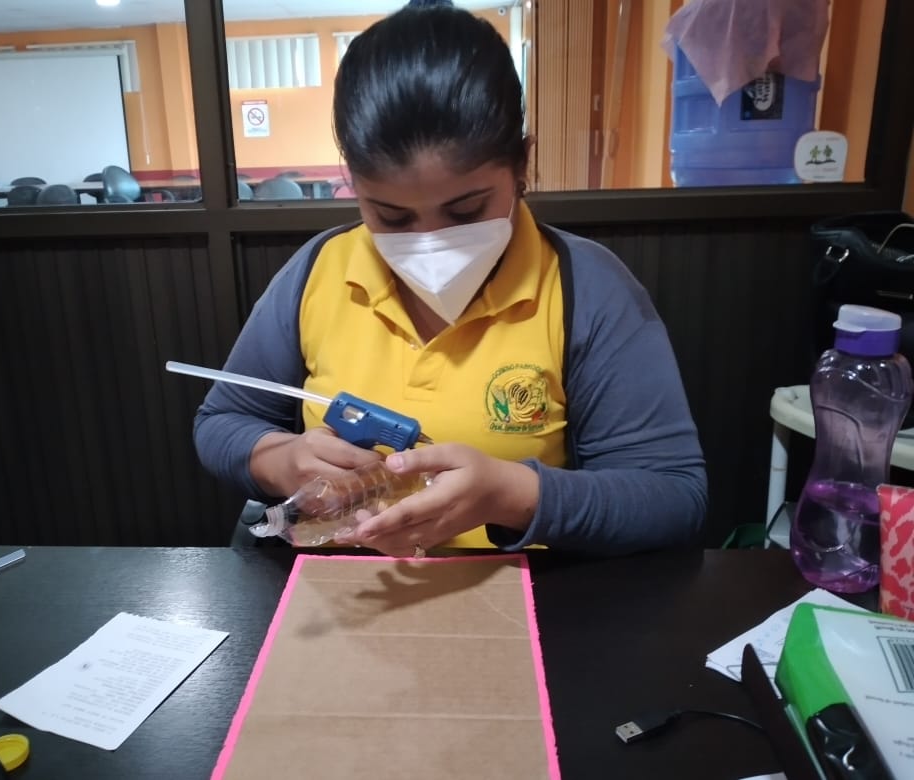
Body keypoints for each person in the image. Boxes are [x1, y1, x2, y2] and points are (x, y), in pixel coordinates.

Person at [194, 0, 707, 557]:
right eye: (392, 217)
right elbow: (223, 421)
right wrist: (279, 460)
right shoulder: (320, 271)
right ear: (354, 186)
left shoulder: (587, 287)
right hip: (337, 585)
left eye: (466, 212)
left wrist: (513, 496)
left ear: (522, 165)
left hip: (519, 594)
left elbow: (672, 498)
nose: (430, 244)